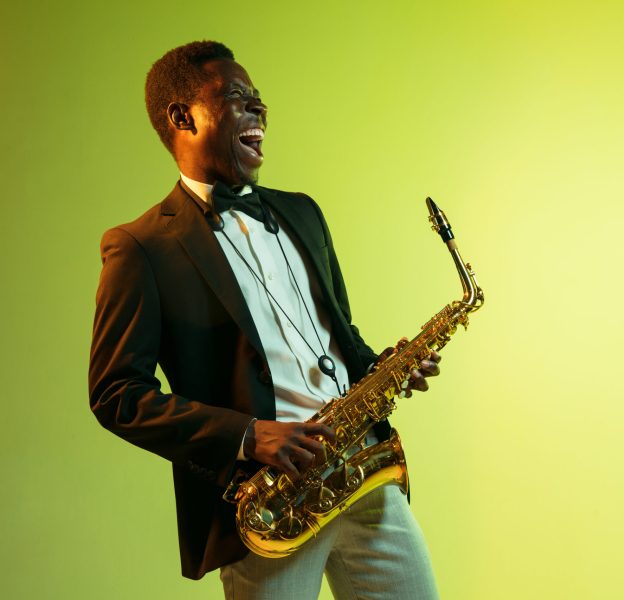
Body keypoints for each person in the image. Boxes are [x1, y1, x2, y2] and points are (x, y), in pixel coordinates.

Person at [89, 40, 440, 599]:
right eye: (237, 98)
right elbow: (116, 395)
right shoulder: (141, 247)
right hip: (272, 502)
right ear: (182, 116)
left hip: (364, 474)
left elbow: (339, 338)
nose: (259, 111)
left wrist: (386, 369)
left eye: (260, 100)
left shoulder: (302, 211)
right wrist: (249, 437)